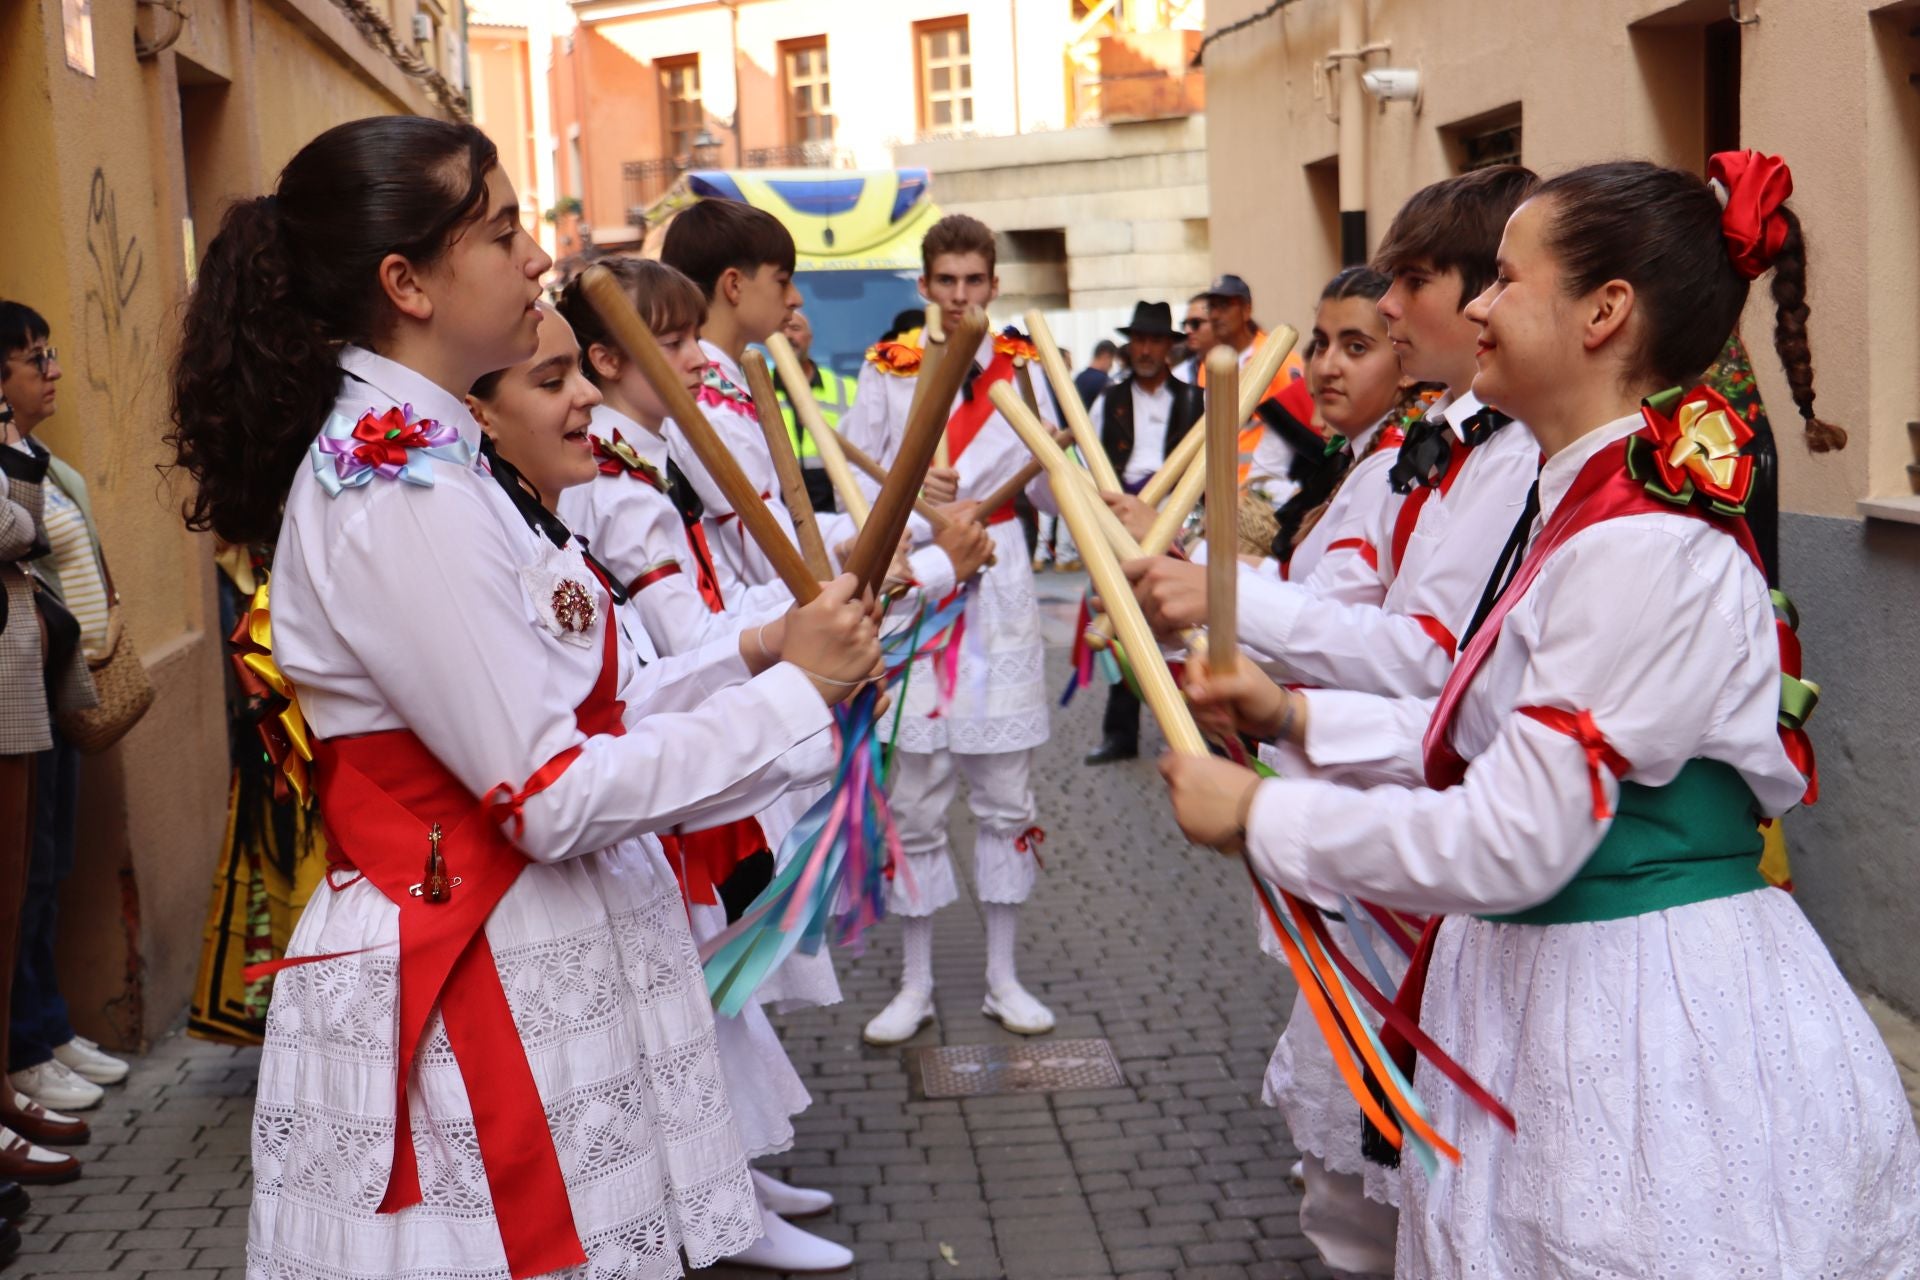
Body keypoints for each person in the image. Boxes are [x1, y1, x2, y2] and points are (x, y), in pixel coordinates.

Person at [1161, 153, 1920, 1279]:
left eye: (1504, 278)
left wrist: (1264, 818)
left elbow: (1514, 835)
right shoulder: (1591, 510)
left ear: (1604, 311)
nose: (1474, 304)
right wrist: (1292, 715)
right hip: (1571, 984)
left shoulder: (1638, 546)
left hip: (1644, 1013)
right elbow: (1483, 733)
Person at [165, 114, 884, 1280]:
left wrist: (767, 652)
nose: (538, 257)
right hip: (473, 969)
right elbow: (549, 794)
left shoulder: (443, 460)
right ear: (407, 282)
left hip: (523, 945)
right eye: (501, 233)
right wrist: (798, 695)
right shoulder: (396, 488)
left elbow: (591, 708)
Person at [479, 296, 863, 1274]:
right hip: (612, 817)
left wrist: (788, 635)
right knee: (698, 1001)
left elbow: (650, 666)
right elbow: (629, 693)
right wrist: (785, 662)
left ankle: (724, 1185)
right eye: (556, 378)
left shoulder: (573, 492)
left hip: (656, 780)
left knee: (708, 1002)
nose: (585, 402)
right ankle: (718, 1196)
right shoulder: (585, 488)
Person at [841, 212, 1058, 1045]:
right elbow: (862, 488)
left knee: (1005, 793)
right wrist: (908, 490)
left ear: (994, 286)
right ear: (925, 287)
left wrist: (1066, 470)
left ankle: (1004, 978)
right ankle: (916, 983)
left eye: (976, 282)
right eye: (947, 282)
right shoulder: (888, 371)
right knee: (915, 796)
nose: (962, 296)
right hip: (919, 583)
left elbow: (1045, 492)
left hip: (998, 580)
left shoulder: (1027, 370)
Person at [0, 304, 129, 1122]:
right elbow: (22, 529)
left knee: (50, 866)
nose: (52, 372)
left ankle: (49, 1030)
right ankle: (27, 1046)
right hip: (18, 686)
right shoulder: (14, 458)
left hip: (52, 680)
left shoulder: (36, 454)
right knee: (27, 872)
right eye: (34, 358)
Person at [659, 197, 807, 602]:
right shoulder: (705, 402)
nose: (796, 298)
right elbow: (771, 558)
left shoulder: (722, 387)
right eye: (783, 279)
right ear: (734, 285)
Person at [1082, 300, 1203, 766]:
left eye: (1155, 340)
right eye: (1140, 340)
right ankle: (1120, 732)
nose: (1147, 349)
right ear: (1130, 346)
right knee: (1120, 624)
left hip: (1176, 519)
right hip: (1120, 519)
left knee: (1183, 621)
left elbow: (1206, 468)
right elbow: (1091, 466)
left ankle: (1192, 728)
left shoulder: (1195, 400)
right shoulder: (1107, 401)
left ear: (1169, 347)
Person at [1197, 273, 1310, 497]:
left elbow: (1295, 428)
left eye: (1224, 306)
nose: (1216, 315)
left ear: (1246, 310)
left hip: (1264, 489)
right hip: (1219, 490)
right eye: (1211, 307)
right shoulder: (1209, 364)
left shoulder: (1277, 358)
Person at [770, 309, 858, 517]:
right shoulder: (753, 389)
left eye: (795, 328)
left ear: (810, 338)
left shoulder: (848, 389)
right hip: (781, 509)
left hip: (837, 506)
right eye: (782, 330)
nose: (788, 336)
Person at [1174, 293, 1216, 385]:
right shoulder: (1180, 375)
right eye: (1185, 324)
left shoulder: (1244, 365)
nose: (1187, 330)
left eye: (1195, 323)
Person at [1073, 339, 1117, 409]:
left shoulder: (1079, 377)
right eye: (1112, 360)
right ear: (1106, 356)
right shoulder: (1103, 381)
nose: (1111, 365)